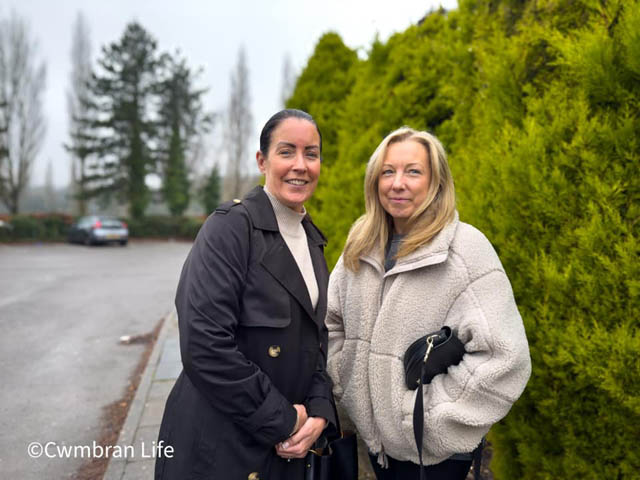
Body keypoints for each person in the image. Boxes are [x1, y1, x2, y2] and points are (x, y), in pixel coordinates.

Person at [326, 127, 531, 480]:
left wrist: (430, 419)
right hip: (377, 449)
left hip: (437, 456)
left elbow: (505, 357)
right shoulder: (360, 244)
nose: (397, 183)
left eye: (413, 171)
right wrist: (350, 393)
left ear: (436, 181)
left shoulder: (465, 249)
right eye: (388, 171)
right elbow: (331, 325)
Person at [155, 109, 336, 480]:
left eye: (311, 154)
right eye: (287, 152)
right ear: (262, 161)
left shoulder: (312, 241)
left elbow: (316, 341)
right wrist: (282, 420)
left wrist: (320, 411)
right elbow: (204, 346)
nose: (300, 165)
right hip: (218, 448)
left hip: (286, 449)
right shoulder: (229, 230)